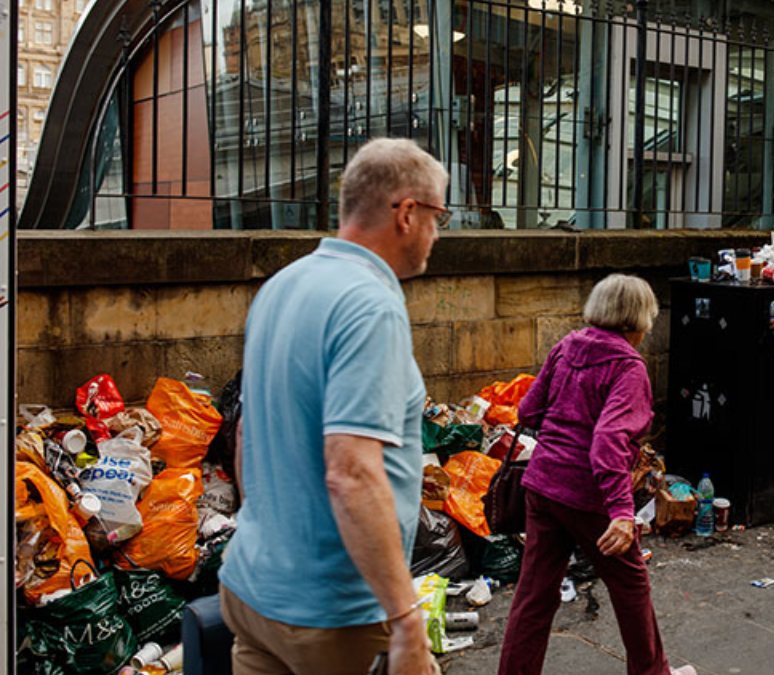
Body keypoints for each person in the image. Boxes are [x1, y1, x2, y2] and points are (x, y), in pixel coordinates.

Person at [219, 138, 449, 675]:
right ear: (407, 213)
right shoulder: (371, 305)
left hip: (253, 591)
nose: (439, 233)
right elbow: (351, 473)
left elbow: (248, 434)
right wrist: (407, 619)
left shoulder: (281, 286)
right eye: (438, 215)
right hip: (333, 615)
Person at [497, 274, 696, 675]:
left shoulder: (568, 345)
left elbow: (528, 411)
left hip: (543, 485)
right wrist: (622, 513)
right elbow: (607, 440)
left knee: (534, 596)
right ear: (637, 320)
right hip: (589, 495)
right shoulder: (628, 367)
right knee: (630, 587)